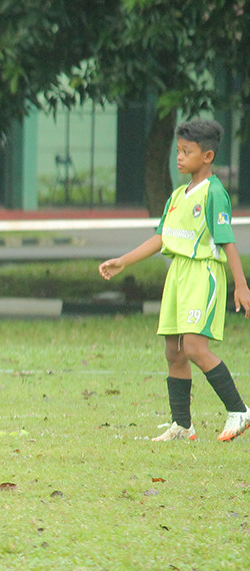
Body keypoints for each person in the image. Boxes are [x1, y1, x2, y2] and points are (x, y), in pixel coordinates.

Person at [99, 118, 250, 442]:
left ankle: (239, 410)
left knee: (195, 347)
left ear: (207, 156)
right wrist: (123, 261)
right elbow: (161, 238)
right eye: (178, 150)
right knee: (174, 350)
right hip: (178, 274)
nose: (179, 157)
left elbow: (226, 239)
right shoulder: (178, 194)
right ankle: (182, 425)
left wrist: (241, 285)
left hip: (202, 273)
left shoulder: (214, 193)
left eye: (186, 151)